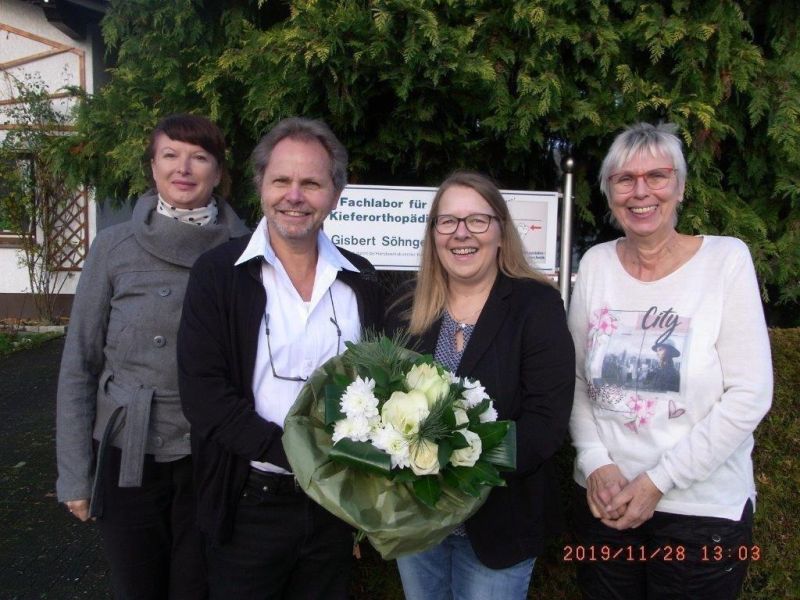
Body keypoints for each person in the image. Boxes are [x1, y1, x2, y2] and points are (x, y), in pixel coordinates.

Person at [177, 117, 383, 599]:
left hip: (334, 506)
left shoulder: (363, 280)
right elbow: (204, 395)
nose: (295, 196)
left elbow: (381, 388)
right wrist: (294, 454)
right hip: (249, 503)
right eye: (281, 181)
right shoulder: (219, 276)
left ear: (335, 194)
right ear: (261, 187)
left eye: (311, 183)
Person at [568, 122, 773, 599]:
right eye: (624, 179)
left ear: (679, 187)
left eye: (657, 176)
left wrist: (660, 480)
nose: (641, 191)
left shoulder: (726, 261)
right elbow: (575, 378)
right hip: (606, 503)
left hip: (702, 515)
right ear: (609, 192)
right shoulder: (596, 263)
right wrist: (595, 461)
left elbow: (750, 395)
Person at [56, 114, 250, 599]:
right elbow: (79, 365)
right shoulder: (113, 247)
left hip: (208, 452)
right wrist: (75, 474)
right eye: (170, 154)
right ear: (153, 166)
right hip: (128, 450)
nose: (183, 168)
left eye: (199, 156)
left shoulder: (246, 251)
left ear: (219, 171)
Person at [387, 171, 575, 599]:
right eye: (448, 221)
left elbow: (545, 426)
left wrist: (455, 464)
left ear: (500, 231)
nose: (461, 234)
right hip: (419, 526)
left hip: (499, 524)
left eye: (477, 220)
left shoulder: (536, 306)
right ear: (433, 233)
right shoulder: (406, 308)